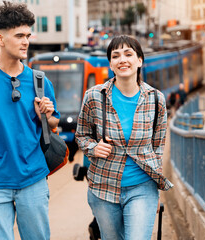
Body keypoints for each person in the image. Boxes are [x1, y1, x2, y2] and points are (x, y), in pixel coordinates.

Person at [0, 2, 59, 239]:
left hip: (33, 180)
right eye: (19, 36)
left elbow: (54, 125)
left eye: (27, 35)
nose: (26, 41)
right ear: (1, 39)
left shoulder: (40, 81)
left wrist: (47, 116)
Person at [75, 35, 173, 240]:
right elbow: (81, 135)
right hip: (103, 189)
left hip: (142, 188)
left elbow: (157, 150)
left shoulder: (156, 99)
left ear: (139, 60)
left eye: (129, 54)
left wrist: (156, 192)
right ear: (110, 63)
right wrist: (93, 148)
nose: (122, 60)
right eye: (116, 55)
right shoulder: (94, 96)